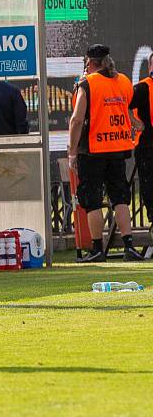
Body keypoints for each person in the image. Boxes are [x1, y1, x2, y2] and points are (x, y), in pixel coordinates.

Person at [68, 44, 145, 262]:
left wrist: (72, 152)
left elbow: (76, 120)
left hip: (92, 150)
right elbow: (128, 114)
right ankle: (129, 247)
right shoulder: (123, 81)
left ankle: (97, 250)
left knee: (92, 200)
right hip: (118, 149)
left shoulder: (87, 84)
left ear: (89, 62)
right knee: (120, 198)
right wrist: (137, 126)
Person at [129, 53, 153, 231]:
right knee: (150, 187)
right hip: (148, 148)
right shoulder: (144, 87)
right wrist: (136, 122)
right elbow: (123, 103)